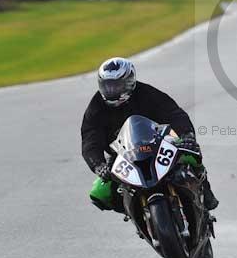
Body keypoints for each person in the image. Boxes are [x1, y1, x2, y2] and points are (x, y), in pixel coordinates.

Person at [81, 57, 219, 211]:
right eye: (107, 86)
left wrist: (187, 135)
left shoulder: (146, 93)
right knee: (99, 193)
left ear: (129, 81)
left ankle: (205, 189)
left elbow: (174, 114)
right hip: (122, 154)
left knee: (190, 152)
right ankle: (134, 212)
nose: (111, 91)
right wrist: (98, 165)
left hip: (155, 142)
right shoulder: (96, 107)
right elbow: (90, 139)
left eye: (116, 85)